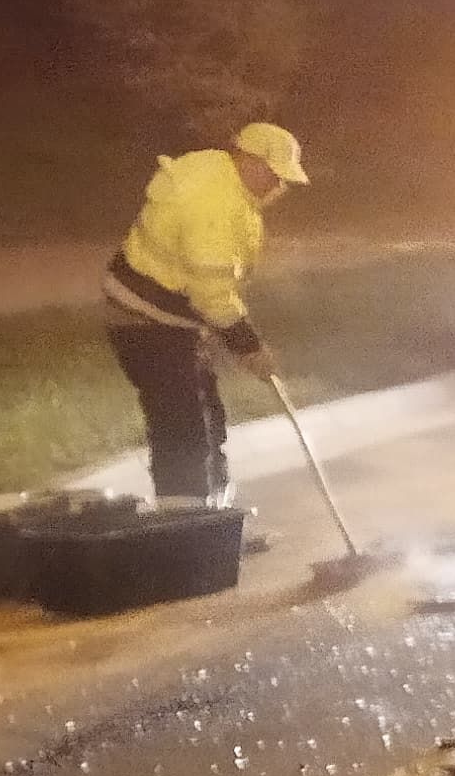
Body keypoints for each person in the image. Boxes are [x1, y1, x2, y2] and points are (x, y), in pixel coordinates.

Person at [101, 122, 307, 507]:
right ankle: (184, 522)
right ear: (250, 160)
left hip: (172, 319)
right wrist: (249, 346)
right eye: (275, 176)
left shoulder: (224, 181)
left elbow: (214, 286)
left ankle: (214, 514)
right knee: (182, 423)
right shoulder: (213, 198)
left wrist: (228, 334)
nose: (278, 187)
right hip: (143, 317)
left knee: (208, 412)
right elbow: (210, 291)